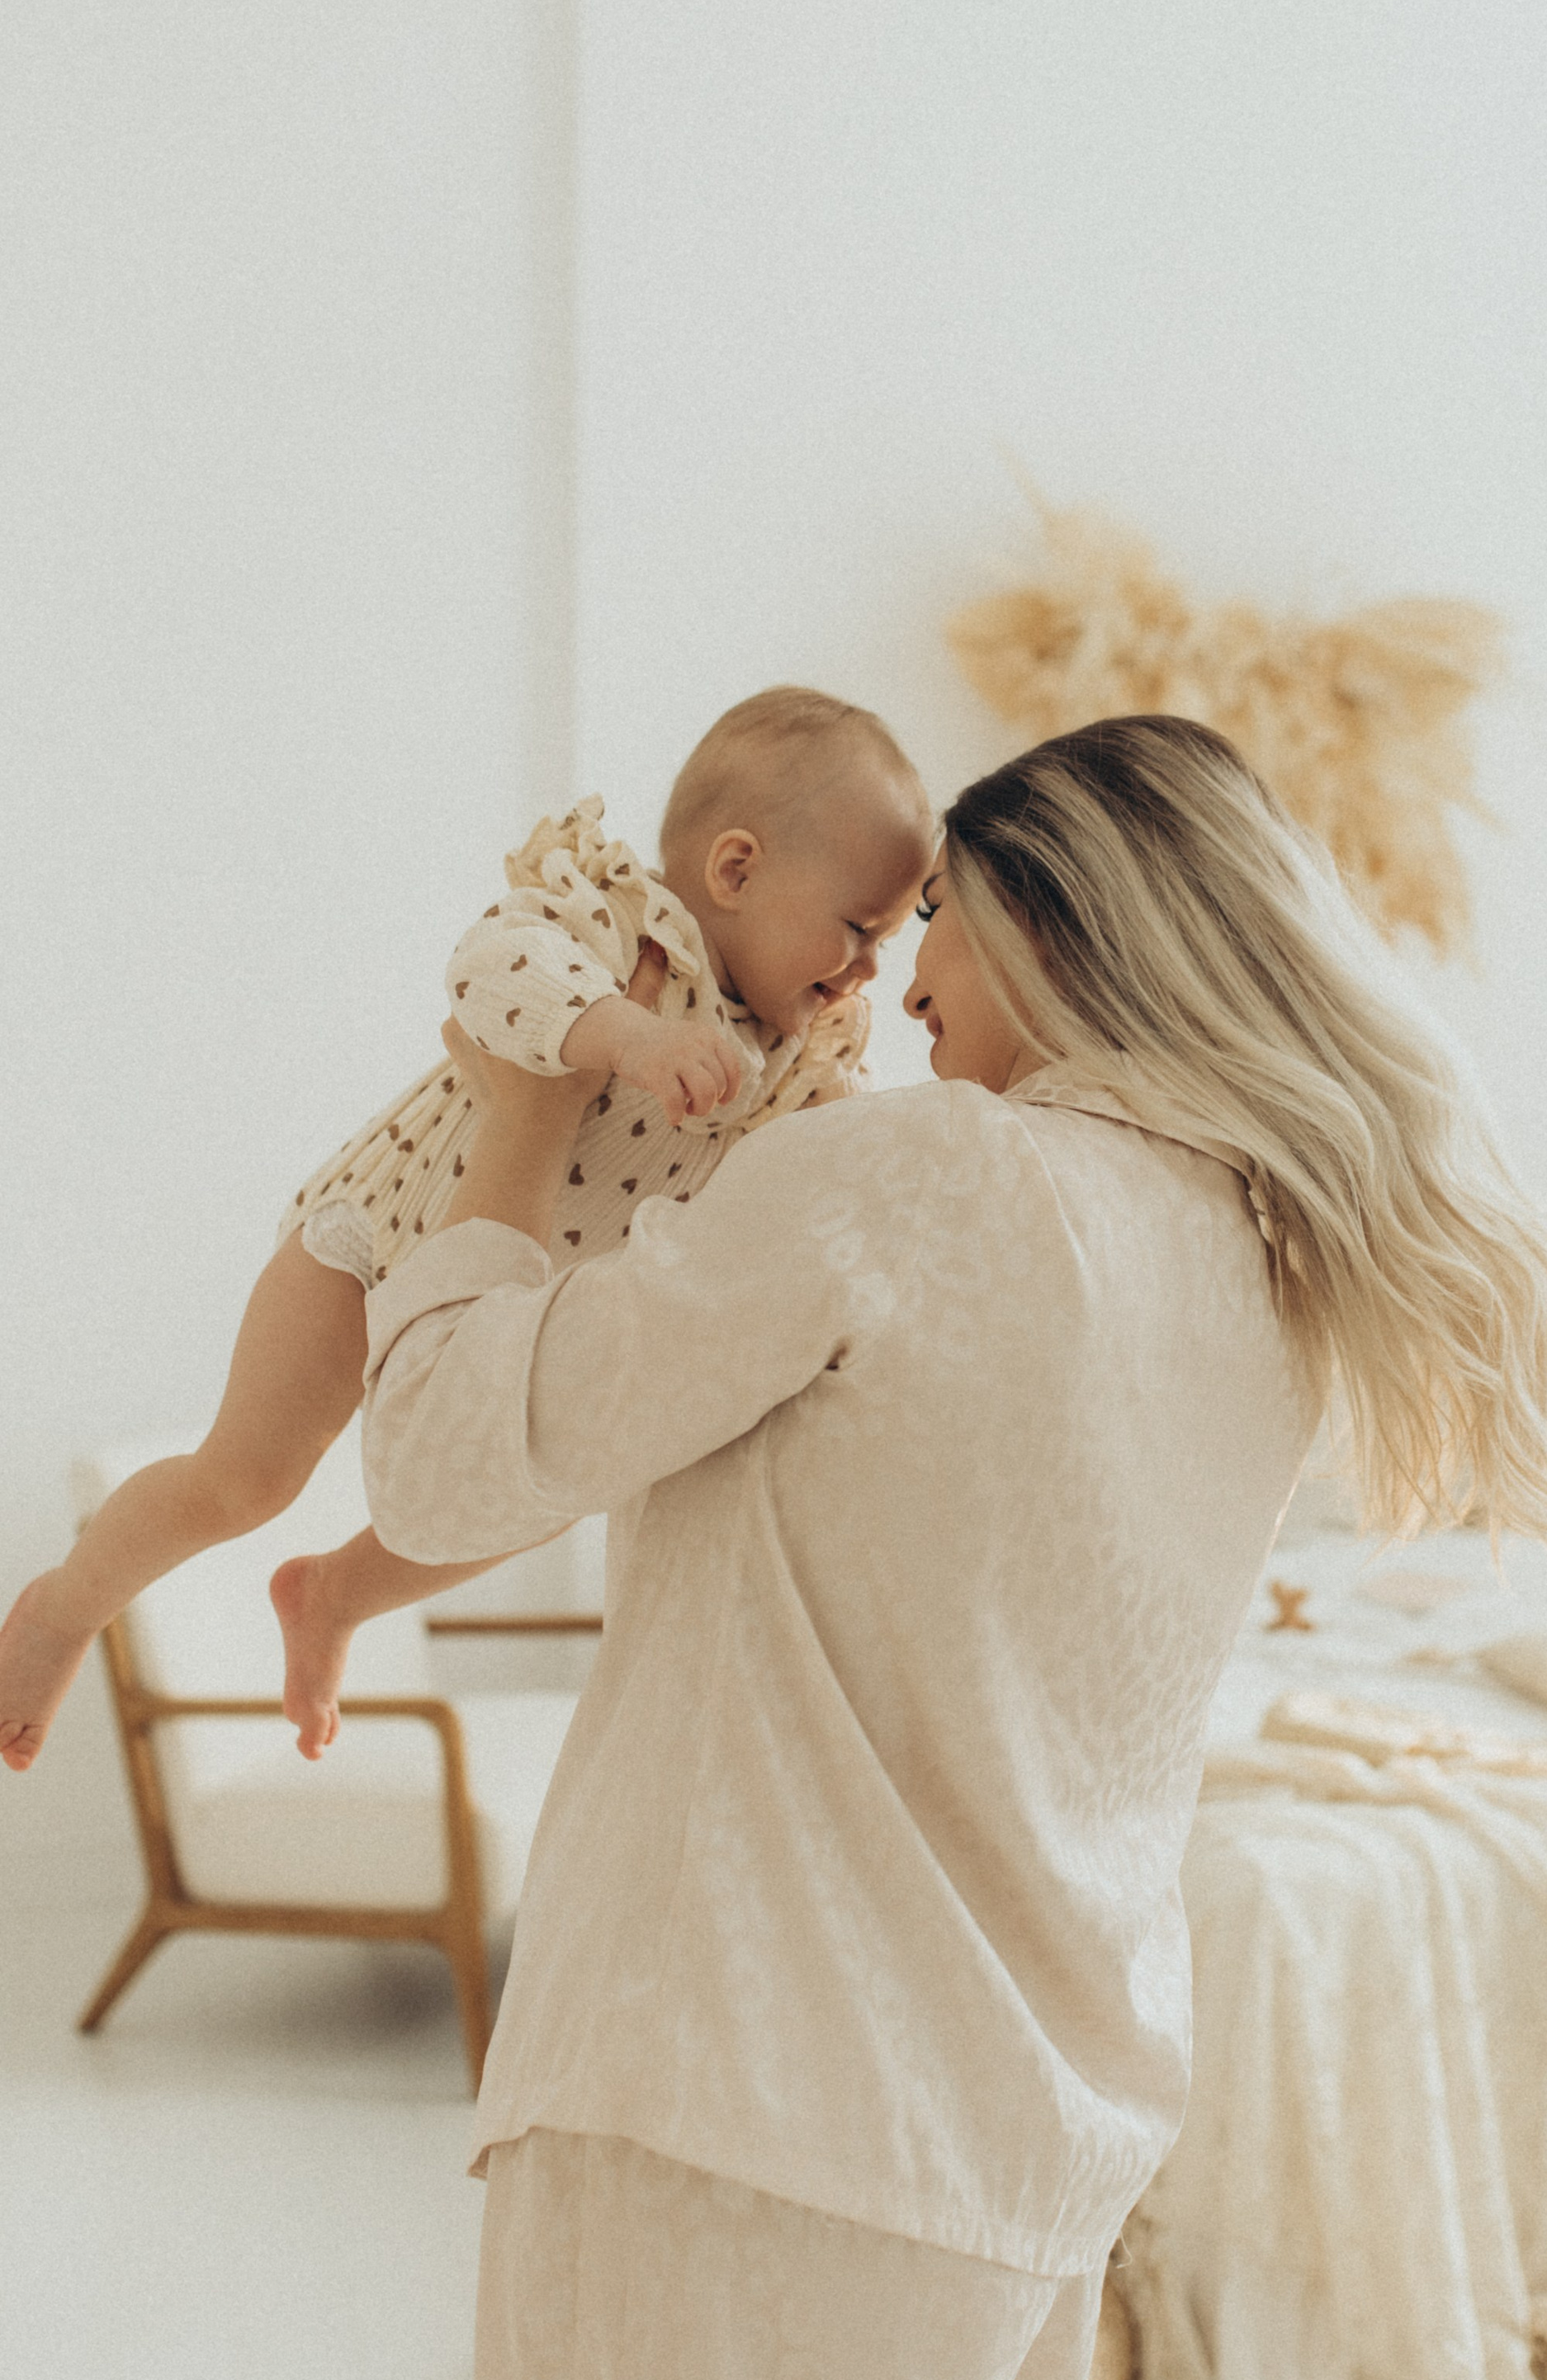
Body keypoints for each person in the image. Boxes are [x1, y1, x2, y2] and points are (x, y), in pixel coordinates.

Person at [345, 710, 1547, 2380]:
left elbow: (441, 1466)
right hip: (1015, 2185)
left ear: (1044, 928)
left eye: (937, 916)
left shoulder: (927, 1177)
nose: (906, 979)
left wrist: (515, 1098)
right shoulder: (1261, 1272)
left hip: (736, 2116)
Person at [0, 687, 934, 1775]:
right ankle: (63, 1611)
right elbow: (493, 970)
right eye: (859, 927)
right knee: (244, 1479)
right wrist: (626, 1036)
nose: (872, 968)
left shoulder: (810, 1047)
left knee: (545, 1486)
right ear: (735, 871)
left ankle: (336, 1594)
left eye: (893, 936)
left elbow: (836, 1158)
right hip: (381, 1235)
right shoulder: (620, 921)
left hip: (511, 1303)